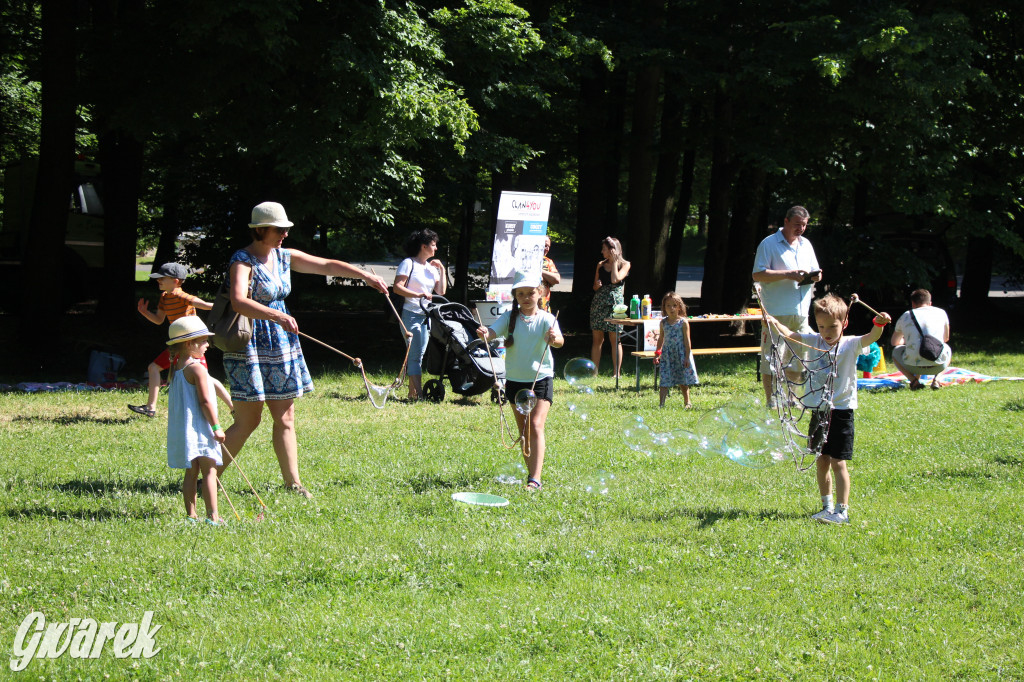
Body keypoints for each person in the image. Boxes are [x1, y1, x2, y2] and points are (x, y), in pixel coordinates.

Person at [221, 202, 388, 498]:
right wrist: (276, 315)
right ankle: (206, 477)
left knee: (285, 418)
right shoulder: (242, 260)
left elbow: (326, 265)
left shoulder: (284, 257)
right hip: (251, 345)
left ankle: (293, 484)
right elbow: (238, 301)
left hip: (281, 343)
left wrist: (365, 276)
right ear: (261, 230)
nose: (285, 234)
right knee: (248, 421)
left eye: (286, 229)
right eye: (279, 229)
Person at [768, 294, 891, 525]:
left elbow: (873, 336)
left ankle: (842, 511)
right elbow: (791, 335)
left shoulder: (851, 343)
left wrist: (879, 322)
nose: (826, 332)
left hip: (841, 412)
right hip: (819, 411)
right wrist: (775, 323)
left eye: (832, 326)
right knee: (821, 459)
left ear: (844, 323)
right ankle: (827, 506)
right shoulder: (815, 340)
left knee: (838, 462)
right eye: (821, 326)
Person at [476, 271, 564, 490]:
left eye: (530, 293)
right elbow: (491, 333)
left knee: (535, 425)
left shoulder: (547, 319)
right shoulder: (509, 318)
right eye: (521, 293)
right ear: (515, 296)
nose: (526, 297)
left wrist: (554, 339)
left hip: (540, 378)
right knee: (524, 431)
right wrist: (484, 333)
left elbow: (560, 341)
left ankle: (535, 479)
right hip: (515, 381)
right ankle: (531, 474)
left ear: (540, 293)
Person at [130, 262, 232, 418]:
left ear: (175, 281)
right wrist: (145, 312)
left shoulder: (181, 296)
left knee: (205, 377)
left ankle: (233, 406)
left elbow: (204, 305)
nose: (158, 281)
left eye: (162, 278)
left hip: (191, 343)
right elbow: (159, 319)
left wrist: (231, 306)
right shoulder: (165, 297)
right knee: (154, 368)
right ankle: (150, 408)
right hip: (179, 343)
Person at [752, 206, 822, 407]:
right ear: (786, 221)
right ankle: (771, 399)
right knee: (772, 357)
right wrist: (788, 274)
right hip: (776, 312)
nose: (801, 228)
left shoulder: (806, 244)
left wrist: (816, 276)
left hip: (801, 312)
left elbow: (816, 271)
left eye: (804, 225)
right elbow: (758, 274)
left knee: (798, 358)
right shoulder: (769, 243)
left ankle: (792, 398)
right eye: (797, 224)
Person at [164, 316, 226, 525]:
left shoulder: (177, 367)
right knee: (210, 471)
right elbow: (205, 401)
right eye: (204, 341)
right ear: (190, 344)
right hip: (201, 429)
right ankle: (213, 517)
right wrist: (216, 427)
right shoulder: (197, 368)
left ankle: (191, 516)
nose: (208, 345)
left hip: (185, 431)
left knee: (191, 472)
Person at [393, 229, 447, 400]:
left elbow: (441, 291)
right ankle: (420, 395)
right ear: (423, 246)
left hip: (426, 316)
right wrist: (418, 295)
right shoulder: (408, 263)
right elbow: (397, 287)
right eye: (433, 245)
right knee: (415, 355)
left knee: (418, 355)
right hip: (411, 314)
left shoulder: (431, 268)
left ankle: (412, 393)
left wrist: (442, 269)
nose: (436, 248)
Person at [890, 288, 952, 390]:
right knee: (946, 347)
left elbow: (894, 342)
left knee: (896, 351)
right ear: (930, 303)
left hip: (912, 366)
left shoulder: (906, 315)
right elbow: (945, 338)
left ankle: (913, 380)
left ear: (913, 304)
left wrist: (907, 341)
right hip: (938, 365)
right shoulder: (941, 313)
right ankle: (937, 379)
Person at [590, 236, 631, 377]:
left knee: (615, 338)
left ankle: (616, 373)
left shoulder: (625, 264)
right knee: (597, 339)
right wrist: (597, 286)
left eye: (604, 249)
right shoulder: (600, 264)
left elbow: (615, 279)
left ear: (613, 250)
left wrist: (614, 262)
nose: (602, 252)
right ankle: (594, 372)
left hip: (615, 304)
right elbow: (595, 286)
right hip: (599, 302)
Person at [653, 292, 699, 408]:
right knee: (664, 379)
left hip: (680, 354)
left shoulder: (683, 322)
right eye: (668, 306)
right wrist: (657, 353)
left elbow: (687, 341)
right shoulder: (663, 323)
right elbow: (661, 339)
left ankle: (687, 402)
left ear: (679, 307)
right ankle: (661, 404)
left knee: (682, 379)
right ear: (664, 307)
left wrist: (687, 357)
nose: (671, 308)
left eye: (674, 305)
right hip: (667, 355)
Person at [539, 235, 560, 312]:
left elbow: (557, 279)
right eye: (545, 246)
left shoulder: (548, 261)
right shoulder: (524, 260)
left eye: (548, 246)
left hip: (543, 308)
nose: (547, 249)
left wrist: (539, 271)